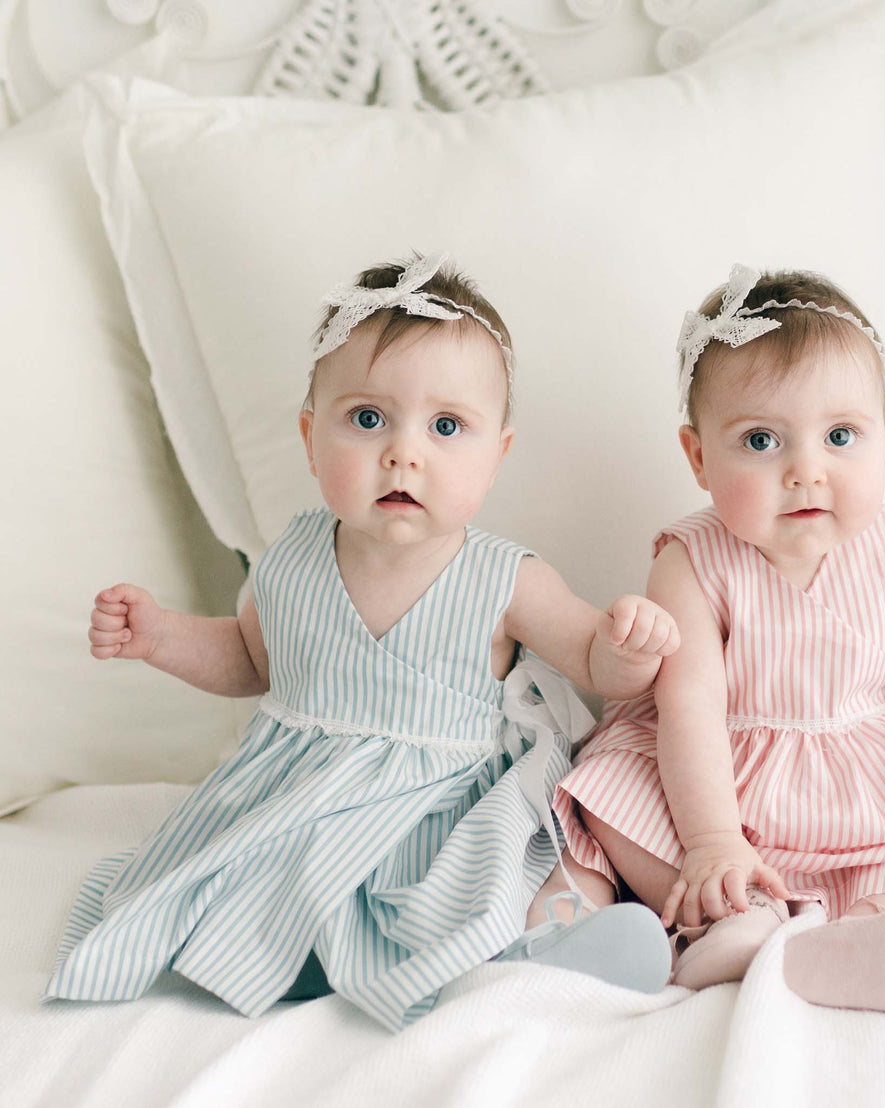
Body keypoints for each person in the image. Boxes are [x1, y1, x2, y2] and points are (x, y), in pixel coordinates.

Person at [45, 253, 675, 1030]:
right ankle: (304, 951)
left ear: (495, 456)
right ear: (312, 439)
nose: (403, 452)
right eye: (368, 419)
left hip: (445, 800)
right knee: (260, 878)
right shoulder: (293, 559)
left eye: (447, 427)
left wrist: (629, 643)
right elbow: (251, 661)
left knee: (500, 873)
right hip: (303, 796)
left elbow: (590, 660)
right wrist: (163, 637)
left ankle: (546, 944)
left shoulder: (506, 577)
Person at [553, 264, 885, 1012]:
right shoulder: (689, 561)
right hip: (718, 778)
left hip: (862, 782)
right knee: (610, 796)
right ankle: (734, 918)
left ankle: (874, 930)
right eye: (761, 440)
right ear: (697, 458)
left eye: (841, 436)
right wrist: (713, 842)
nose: (806, 471)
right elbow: (687, 709)